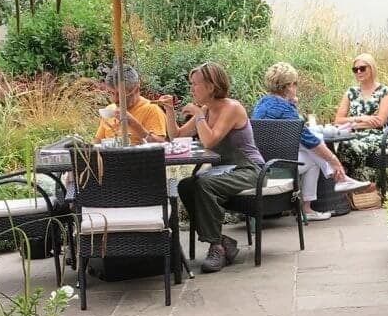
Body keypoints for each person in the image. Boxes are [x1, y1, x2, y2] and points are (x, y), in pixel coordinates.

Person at [161, 62, 263, 274]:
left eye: (195, 84)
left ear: (211, 86)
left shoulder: (231, 108)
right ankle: (222, 242)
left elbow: (209, 141)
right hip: (225, 170)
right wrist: (169, 110)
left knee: (204, 183)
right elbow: (177, 136)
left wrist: (198, 115)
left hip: (250, 169)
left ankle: (216, 247)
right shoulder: (206, 110)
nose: (192, 89)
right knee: (186, 185)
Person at [252, 61, 348, 221]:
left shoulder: (262, 103)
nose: (296, 87)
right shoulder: (286, 110)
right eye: (294, 84)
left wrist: (292, 106)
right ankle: (331, 182)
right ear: (288, 86)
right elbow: (308, 140)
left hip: (259, 163)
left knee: (312, 149)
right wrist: (334, 160)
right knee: (314, 155)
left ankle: (333, 179)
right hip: (276, 167)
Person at [333, 52, 388, 175]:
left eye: (362, 68)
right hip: (352, 134)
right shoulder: (351, 92)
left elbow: (380, 121)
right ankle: (354, 185)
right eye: (355, 69)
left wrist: (352, 123)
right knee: (339, 146)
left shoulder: (385, 91)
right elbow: (338, 120)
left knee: (350, 147)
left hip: (378, 136)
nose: (358, 72)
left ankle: (359, 183)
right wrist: (362, 119)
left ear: (372, 69)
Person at [95, 62, 166, 145]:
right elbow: (97, 144)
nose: (115, 100)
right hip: (111, 156)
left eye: (120, 94)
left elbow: (161, 146)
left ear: (136, 90)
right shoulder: (109, 110)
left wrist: (133, 123)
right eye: (112, 93)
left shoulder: (151, 109)